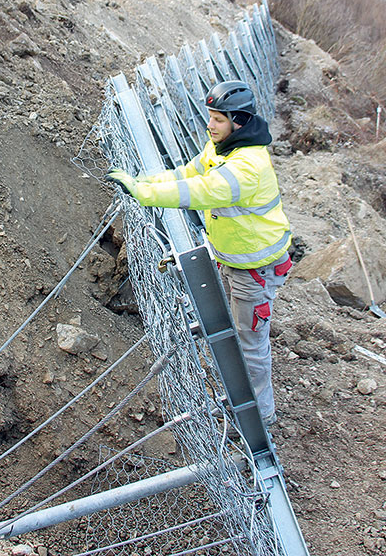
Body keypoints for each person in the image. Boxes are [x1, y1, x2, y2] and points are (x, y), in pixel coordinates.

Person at [107, 79, 292, 426]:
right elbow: (187, 173)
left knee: (250, 343)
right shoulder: (221, 147)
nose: (210, 125)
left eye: (218, 119)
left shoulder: (248, 166)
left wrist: (145, 195)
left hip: (256, 269)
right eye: (209, 116)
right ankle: (241, 399)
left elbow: (201, 190)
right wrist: (146, 182)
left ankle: (259, 418)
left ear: (238, 120)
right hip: (233, 259)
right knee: (235, 334)